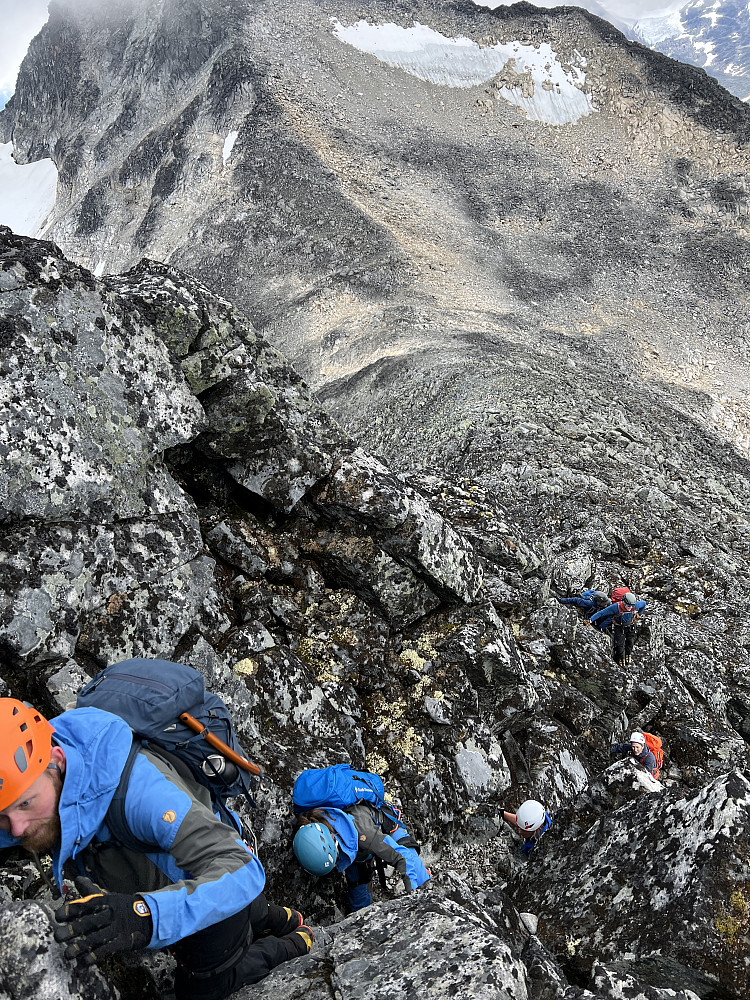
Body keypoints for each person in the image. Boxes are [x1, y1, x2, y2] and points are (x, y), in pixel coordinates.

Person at [0, 698, 312, 1000]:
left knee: (201, 989)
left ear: (58, 759)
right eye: (2, 817)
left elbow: (242, 871)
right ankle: (277, 917)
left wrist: (144, 917)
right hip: (200, 873)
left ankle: (294, 944)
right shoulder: (28, 777)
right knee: (250, 908)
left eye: (26, 804)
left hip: (206, 881)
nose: (16, 828)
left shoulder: (141, 793)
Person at [292, 800, 431, 912]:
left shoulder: (366, 835)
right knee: (358, 892)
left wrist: (413, 898)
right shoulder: (315, 824)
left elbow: (402, 857)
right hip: (356, 847)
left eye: (334, 862)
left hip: (388, 827)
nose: (335, 866)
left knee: (420, 881)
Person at [589, 591, 647, 666]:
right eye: (628, 606)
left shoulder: (634, 605)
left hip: (630, 626)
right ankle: (621, 658)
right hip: (619, 628)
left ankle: (628, 655)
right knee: (620, 644)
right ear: (624, 603)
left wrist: (639, 613)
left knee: (630, 642)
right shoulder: (616, 607)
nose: (630, 608)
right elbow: (601, 613)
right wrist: (591, 620)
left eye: (631, 606)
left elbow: (644, 604)